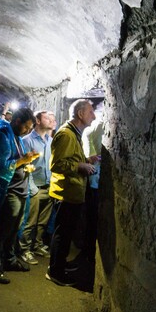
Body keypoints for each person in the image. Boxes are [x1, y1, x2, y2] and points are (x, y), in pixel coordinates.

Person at [47, 99, 100, 287]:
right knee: (62, 233)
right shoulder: (66, 135)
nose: (93, 115)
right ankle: (56, 272)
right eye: (91, 111)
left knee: (66, 233)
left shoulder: (74, 134)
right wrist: (80, 166)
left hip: (72, 192)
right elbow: (56, 164)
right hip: (66, 192)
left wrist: (87, 160)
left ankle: (58, 265)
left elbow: (71, 158)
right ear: (80, 114)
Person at [0, 108, 39, 284]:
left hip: (21, 189)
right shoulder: (3, 136)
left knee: (14, 229)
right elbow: (0, 166)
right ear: (17, 122)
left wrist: (26, 164)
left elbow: (17, 160)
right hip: (10, 191)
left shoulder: (16, 136)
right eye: (27, 127)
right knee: (2, 230)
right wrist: (23, 161)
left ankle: (9, 260)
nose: (28, 131)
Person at [18, 110, 56, 265]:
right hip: (35, 188)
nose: (52, 120)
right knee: (29, 221)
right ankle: (24, 250)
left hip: (48, 185)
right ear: (38, 121)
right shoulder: (27, 140)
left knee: (43, 222)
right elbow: (26, 165)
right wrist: (32, 189)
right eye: (47, 118)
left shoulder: (50, 140)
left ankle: (37, 245)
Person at [81, 116, 104, 264]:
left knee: (92, 221)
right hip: (94, 182)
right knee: (91, 221)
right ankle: (88, 255)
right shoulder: (99, 124)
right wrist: (91, 154)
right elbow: (87, 134)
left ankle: (88, 255)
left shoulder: (97, 125)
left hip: (96, 182)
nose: (93, 116)